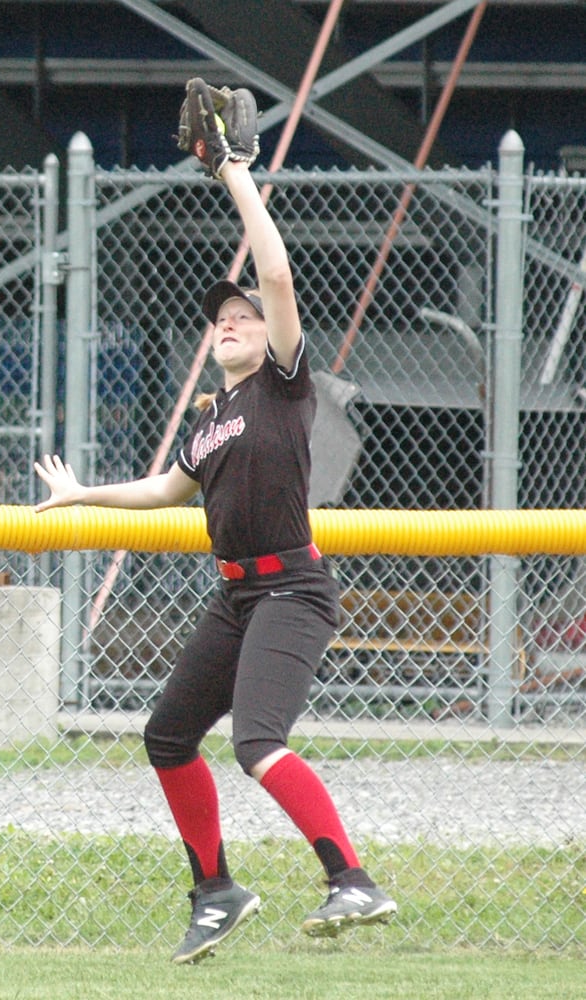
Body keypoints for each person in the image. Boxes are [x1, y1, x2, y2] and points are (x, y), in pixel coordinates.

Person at [34, 85, 396, 964]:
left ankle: (350, 879)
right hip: (235, 597)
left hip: (293, 588)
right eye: (222, 323)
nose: (234, 324)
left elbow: (274, 273)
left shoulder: (282, 384)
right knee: (166, 737)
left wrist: (235, 173)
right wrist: (81, 495)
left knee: (257, 742)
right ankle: (216, 891)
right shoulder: (210, 420)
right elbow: (166, 494)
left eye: (244, 320)